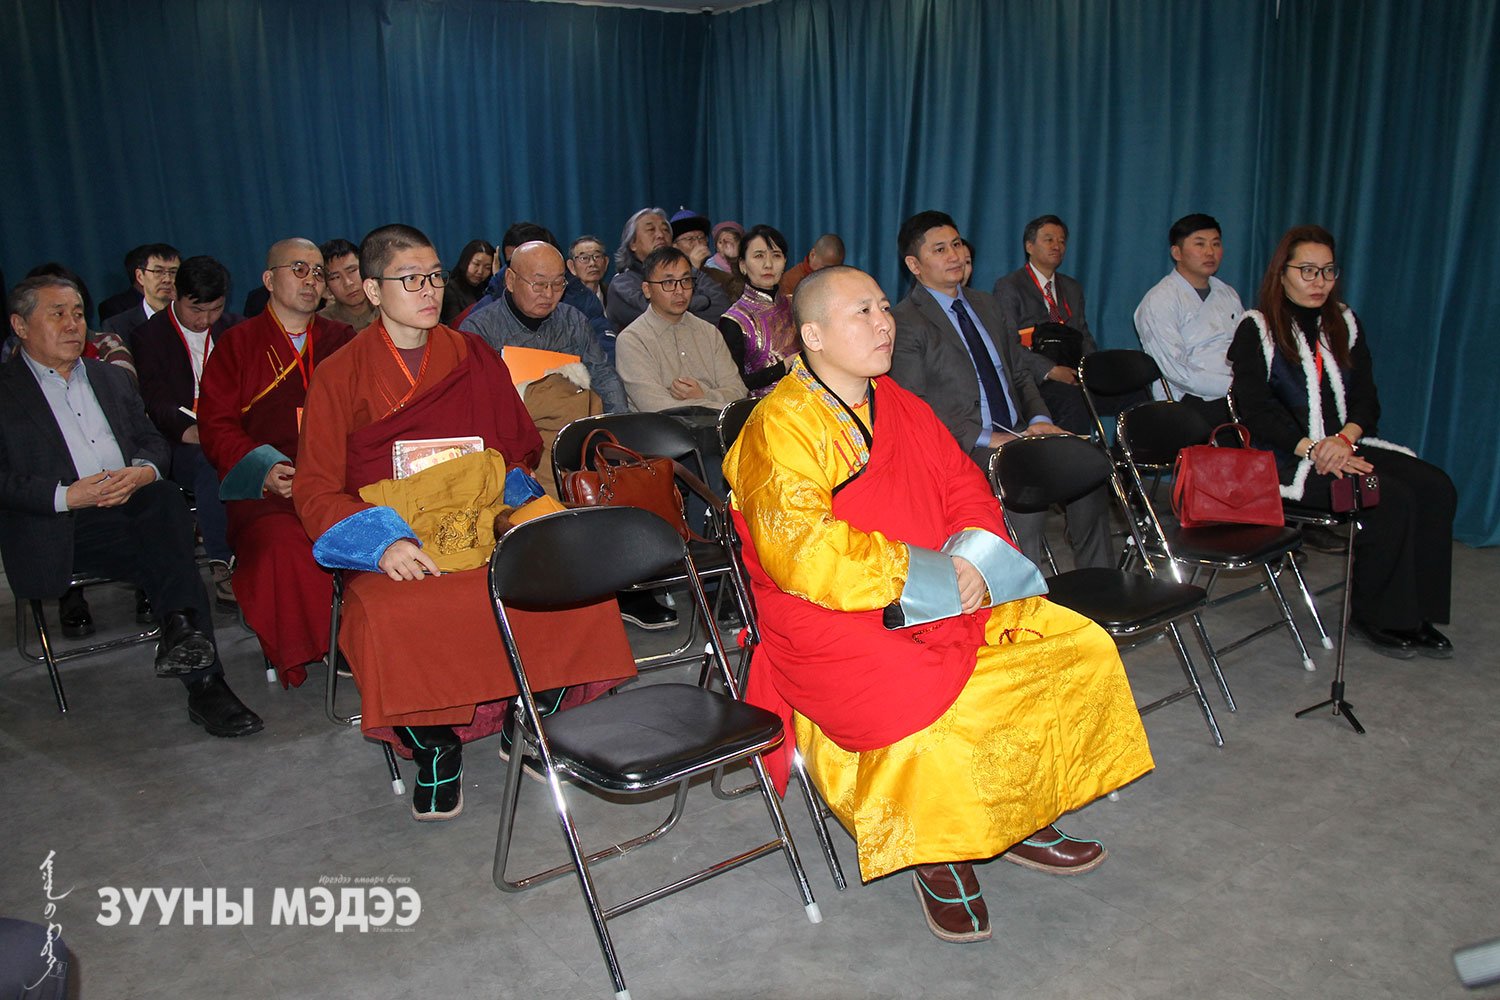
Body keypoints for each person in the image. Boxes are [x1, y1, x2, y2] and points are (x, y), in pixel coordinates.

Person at [723, 265, 1152, 942]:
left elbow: (963, 485)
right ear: (812, 335)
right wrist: (926, 576)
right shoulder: (780, 427)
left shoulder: (900, 402)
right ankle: (940, 849)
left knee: (1064, 645)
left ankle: (1015, 814)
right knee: (922, 698)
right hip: (833, 612)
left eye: (882, 308)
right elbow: (802, 553)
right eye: (860, 312)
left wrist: (977, 560)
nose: (882, 322)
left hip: (942, 584)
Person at [293, 224, 634, 821]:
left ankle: (529, 717)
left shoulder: (470, 355)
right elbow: (317, 487)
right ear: (372, 291)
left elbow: (512, 451)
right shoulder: (340, 373)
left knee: (572, 578)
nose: (428, 290)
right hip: (397, 531)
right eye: (409, 279)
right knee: (394, 612)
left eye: (432, 277)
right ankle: (434, 747)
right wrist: (380, 542)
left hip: (483, 517)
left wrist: (526, 511)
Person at [1, 276, 262, 737]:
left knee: (160, 498)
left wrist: (142, 469)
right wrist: (67, 494)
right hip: (62, 525)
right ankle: (199, 670)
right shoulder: (6, 392)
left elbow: (149, 440)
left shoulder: (108, 378)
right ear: (20, 326)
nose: (72, 325)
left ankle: (191, 654)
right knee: (172, 549)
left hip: (132, 509)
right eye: (57, 314)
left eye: (78, 313)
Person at [1228, 224, 1456, 660]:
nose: (1319, 282)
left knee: (1435, 486)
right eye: (1308, 271)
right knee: (1390, 497)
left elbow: (1367, 398)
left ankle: (1417, 611)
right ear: (1282, 273)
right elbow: (1254, 411)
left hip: (1343, 445)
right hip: (1287, 461)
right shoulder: (1256, 328)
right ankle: (1378, 616)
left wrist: (1345, 439)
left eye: (1328, 271)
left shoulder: (1344, 322)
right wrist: (1314, 449)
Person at [889, 211, 1114, 572]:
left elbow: (1021, 373)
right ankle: (1025, 610)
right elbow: (914, 405)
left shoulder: (987, 305)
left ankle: (1100, 585)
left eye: (957, 244)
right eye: (940, 249)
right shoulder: (905, 322)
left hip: (1022, 431)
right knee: (1021, 483)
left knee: (1089, 474)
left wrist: (1040, 419)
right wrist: (986, 437)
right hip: (964, 446)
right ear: (914, 264)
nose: (954, 255)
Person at [198, 238, 357, 688]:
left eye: (318, 273)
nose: (311, 280)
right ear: (269, 280)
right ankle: (326, 641)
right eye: (299, 270)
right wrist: (264, 469)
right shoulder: (237, 344)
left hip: (339, 478)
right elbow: (217, 426)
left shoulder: (341, 339)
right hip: (272, 488)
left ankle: (372, 630)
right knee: (283, 545)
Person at [131, 255, 242, 607]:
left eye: (216, 309)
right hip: (182, 440)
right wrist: (191, 430)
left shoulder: (235, 329)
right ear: (176, 296)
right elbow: (155, 401)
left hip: (233, 430)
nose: (206, 319)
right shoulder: (149, 335)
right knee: (210, 463)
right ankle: (223, 561)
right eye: (197, 310)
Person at [461, 241, 626, 413]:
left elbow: (604, 376)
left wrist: (618, 426)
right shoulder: (479, 330)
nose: (548, 294)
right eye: (539, 285)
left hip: (570, 428)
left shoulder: (573, 321)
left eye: (557, 284)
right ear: (510, 280)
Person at [991, 215, 1100, 433]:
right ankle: (1071, 463)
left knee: (1131, 394)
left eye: (1061, 241)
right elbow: (1008, 344)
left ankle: (1122, 462)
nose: (1057, 246)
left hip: (1072, 373)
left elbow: (1083, 335)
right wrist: (1049, 370)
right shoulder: (1009, 286)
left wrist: (1088, 370)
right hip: (1035, 377)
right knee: (1074, 400)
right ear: (1029, 246)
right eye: (1049, 239)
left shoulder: (1072, 287)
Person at [1134, 213, 1243, 426]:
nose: (1210, 252)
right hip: (1188, 398)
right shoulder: (1160, 300)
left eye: (1216, 244)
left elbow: (1244, 348)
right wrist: (1235, 387)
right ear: (1177, 252)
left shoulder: (1227, 294)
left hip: (1235, 390)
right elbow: (1177, 372)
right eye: (1200, 244)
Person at [616, 247, 748, 413]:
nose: (680, 291)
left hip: (719, 430)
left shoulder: (709, 332)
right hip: (662, 435)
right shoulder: (632, 339)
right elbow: (656, 407)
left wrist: (704, 394)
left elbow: (738, 392)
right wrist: (715, 404)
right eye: (668, 283)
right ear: (647, 290)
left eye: (686, 281)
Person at [606, 207, 729, 330]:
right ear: (633, 243)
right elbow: (660, 317)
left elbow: (722, 310)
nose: (660, 235)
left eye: (665, 230)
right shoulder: (622, 285)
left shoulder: (693, 272)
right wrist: (703, 301)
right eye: (650, 230)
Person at [718, 224, 795, 397]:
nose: (768, 264)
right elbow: (734, 383)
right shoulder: (734, 320)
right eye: (759, 256)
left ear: (785, 262)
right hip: (761, 409)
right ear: (743, 265)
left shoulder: (797, 304)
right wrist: (783, 367)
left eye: (776, 256)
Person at [102, 243, 180, 346]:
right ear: (140, 277)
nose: (167, 279)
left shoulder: (194, 319)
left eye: (173, 272)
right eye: (158, 271)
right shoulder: (117, 326)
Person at [318, 238, 379, 330]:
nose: (348, 283)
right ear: (327, 288)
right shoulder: (321, 325)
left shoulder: (389, 310)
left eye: (352, 271)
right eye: (335, 277)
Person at [439, 238, 495, 326]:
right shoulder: (449, 287)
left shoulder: (488, 288)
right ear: (465, 261)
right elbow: (455, 325)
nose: (480, 271)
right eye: (476, 264)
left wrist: (497, 278)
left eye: (487, 267)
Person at [779, 233, 845, 297]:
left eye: (835, 269)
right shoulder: (789, 280)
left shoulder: (842, 280)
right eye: (825, 268)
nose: (829, 273)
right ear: (812, 255)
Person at [566, 235, 610, 309]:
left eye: (597, 256)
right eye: (584, 258)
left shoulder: (614, 294)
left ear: (606, 263)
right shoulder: (565, 299)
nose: (592, 263)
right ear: (572, 266)